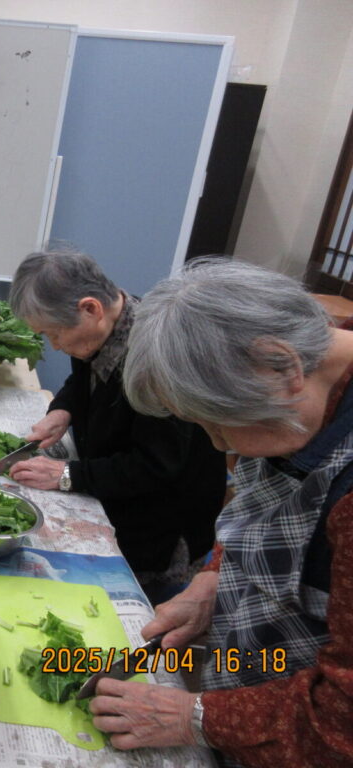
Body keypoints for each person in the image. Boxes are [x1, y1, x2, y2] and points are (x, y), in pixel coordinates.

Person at [92, 259, 353, 766]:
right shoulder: (301, 375)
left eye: (219, 425)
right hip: (250, 679)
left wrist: (193, 718)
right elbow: (262, 509)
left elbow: (343, 721)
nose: (218, 445)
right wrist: (213, 580)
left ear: (283, 369)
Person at [7, 251, 226, 600]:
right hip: (121, 491)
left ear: (90, 308)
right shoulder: (107, 325)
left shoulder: (157, 359)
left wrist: (67, 475)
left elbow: (155, 466)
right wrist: (63, 410)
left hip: (161, 526)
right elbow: (84, 379)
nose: (55, 345)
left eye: (55, 334)